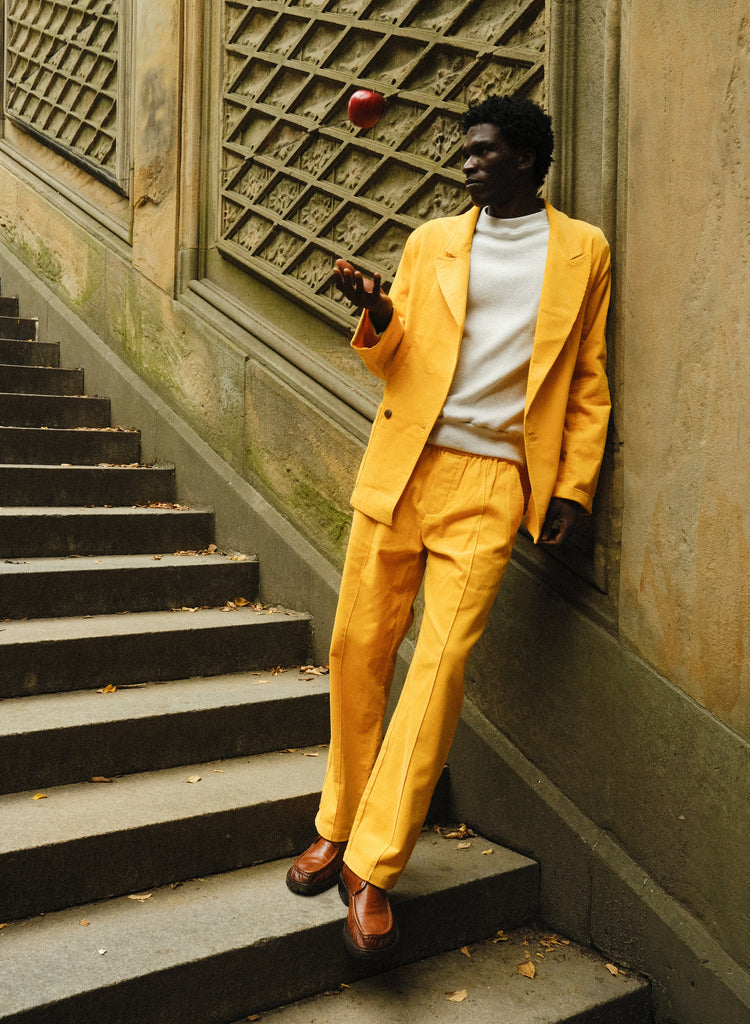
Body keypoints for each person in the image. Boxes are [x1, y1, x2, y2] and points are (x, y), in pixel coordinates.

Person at [286, 92, 612, 960]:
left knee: (438, 668)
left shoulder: (583, 251)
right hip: (403, 466)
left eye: (485, 150)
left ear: (530, 159)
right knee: (359, 644)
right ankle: (338, 820)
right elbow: (398, 362)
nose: (466, 163)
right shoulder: (432, 241)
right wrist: (377, 311)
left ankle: (374, 865)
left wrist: (572, 490)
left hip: (495, 483)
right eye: (465, 151)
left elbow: (586, 378)